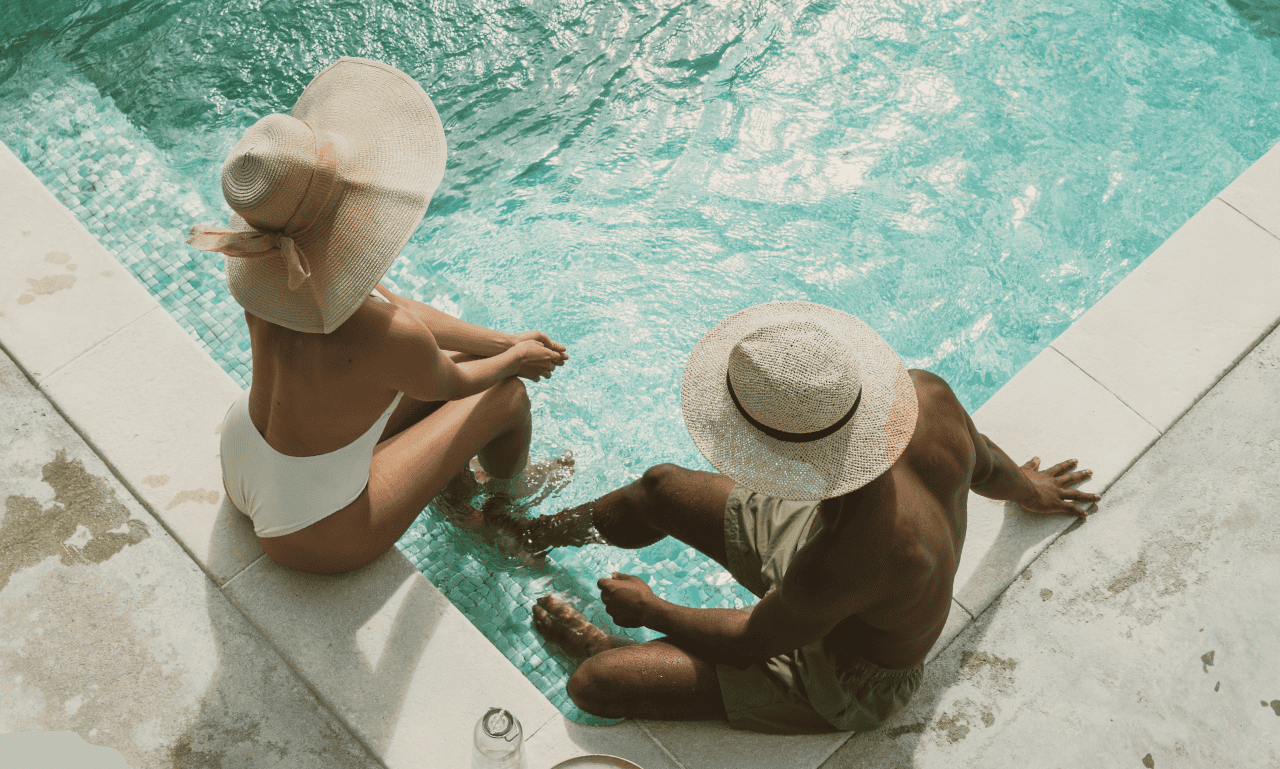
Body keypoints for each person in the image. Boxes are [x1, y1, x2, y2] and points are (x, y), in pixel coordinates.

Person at [511, 301, 1100, 733]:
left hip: (848, 674)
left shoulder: (852, 555)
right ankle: (528, 536)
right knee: (662, 488)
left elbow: (750, 640)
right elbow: (988, 463)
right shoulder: (925, 397)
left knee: (598, 685)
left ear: (788, 462)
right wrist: (1031, 490)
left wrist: (650, 610)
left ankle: (603, 645)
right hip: (830, 560)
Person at [190, 57, 570, 575]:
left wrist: (504, 341)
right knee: (506, 397)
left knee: (471, 369)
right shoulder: (391, 340)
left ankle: (452, 478)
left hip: (242, 454)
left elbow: (397, 310)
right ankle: (509, 503)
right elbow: (453, 383)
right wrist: (514, 362)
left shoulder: (267, 265)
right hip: (310, 528)